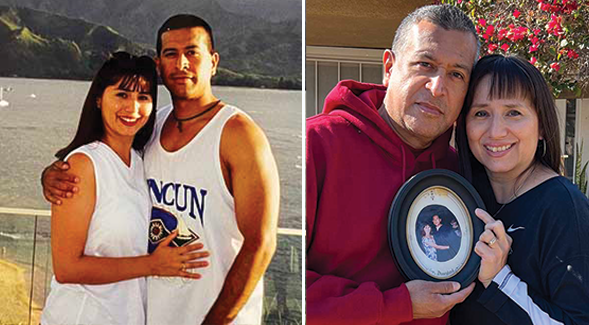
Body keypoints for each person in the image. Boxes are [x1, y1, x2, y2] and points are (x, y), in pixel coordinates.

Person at [42, 14, 279, 325]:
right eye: (171, 54)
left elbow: (261, 242)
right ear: (159, 65)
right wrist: (50, 175)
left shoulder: (238, 134)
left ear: (213, 61)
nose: (181, 64)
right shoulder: (149, 129)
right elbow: (101, 169)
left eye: (192, 52)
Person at [306, 4, 479, 324]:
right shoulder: (316, 146)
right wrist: (395, 304)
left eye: (456, 74)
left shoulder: (462, 178)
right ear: (389, 66)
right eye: (425, 64)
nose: (438, 88)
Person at [40, 52, 209, 325]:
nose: (133, 108)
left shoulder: (142, 161)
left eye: (143, 97)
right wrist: (153, 265)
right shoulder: (83, 164)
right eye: (121, 95)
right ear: (98, 99)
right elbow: (66, 268)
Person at [451, 54, 589, 324]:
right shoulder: (460, 195)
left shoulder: (564, 208)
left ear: (541, 125)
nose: (496, 131)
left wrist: (499, 279)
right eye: (481, 113)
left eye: (513, 113)